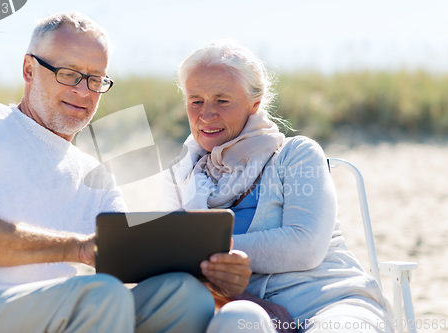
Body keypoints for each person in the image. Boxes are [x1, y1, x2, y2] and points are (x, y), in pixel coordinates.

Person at [0, 11, 216, 333]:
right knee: (101, 297)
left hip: (52, 313)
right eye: (69, 74)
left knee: (185, 297)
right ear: (29, 70)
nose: (85, 92)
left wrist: (213, 272)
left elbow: (127, 258)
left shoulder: (96, 176)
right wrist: (77, 248)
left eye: (96, 79)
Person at [163, 40, 394, 333]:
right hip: (239, 307)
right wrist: (241, 294)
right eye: (196, 100)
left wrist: (201, 252)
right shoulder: (180, 175)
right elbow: (171, 262)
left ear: (254, 104)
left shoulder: (296, 155)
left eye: (222, 100)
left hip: (327, 301)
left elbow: (304, 246)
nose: (206, 114)